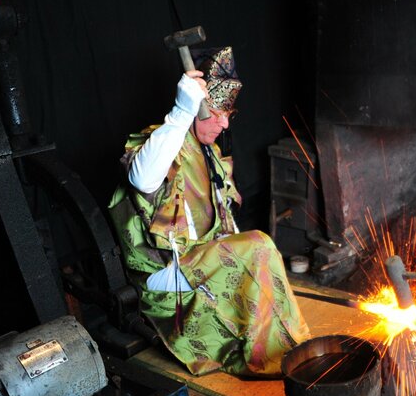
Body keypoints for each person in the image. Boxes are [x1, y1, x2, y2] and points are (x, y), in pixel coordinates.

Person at [108, 46, 310, 376]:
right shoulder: (161, 142)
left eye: (229, 114)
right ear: (195, 108)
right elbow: (142, 178)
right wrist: (179, 113)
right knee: (258, 247)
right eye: (217, 113)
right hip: (164, 272)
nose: (225, 123)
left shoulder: (209, 152)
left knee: (255, 254)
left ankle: (285, 346)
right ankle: (276, 359)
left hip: (201, 259)